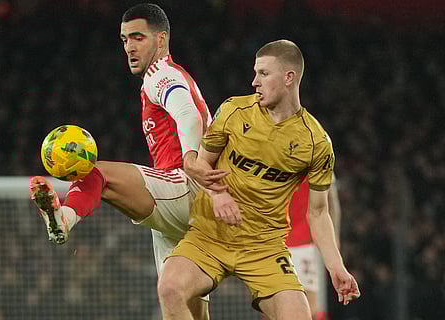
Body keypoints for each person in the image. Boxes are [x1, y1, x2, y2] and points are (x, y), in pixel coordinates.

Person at [29, 3, 226, 319]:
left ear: (161, 40)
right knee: (182, 304)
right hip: (187, 207)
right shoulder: (173, 76)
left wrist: (190, 158)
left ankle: (64, 217)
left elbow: (187, 114)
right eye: (124, 40)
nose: (129, 47)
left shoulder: (160, 73)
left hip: (185, 187)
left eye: (137, 37)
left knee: (96, 174)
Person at [157, 39, 360, 320]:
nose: (254, 82)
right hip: (210, 236)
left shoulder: (316, 142)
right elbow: (201, 163)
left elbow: (319, 211)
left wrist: (336, 265)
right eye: (255, 73)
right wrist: (218, 194)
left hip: (264, 247)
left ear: (289, 78)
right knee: (170, 288)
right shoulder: (233, 111)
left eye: (263, 74)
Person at [287, 175, 341, 320]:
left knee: (307, 306)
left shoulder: (271, 158)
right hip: (298, 243)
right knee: (309, 306)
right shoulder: (319, 157)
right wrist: (334, 239)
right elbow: (332, 200)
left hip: (295, 242)